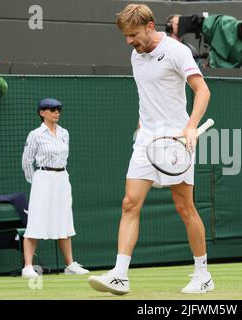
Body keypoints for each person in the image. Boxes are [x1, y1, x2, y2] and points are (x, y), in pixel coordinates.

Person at [88, 3, 213, 294]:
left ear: (150, 25)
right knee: (129, 203)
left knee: (184, 207)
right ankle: (119, 275)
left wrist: (191, 125)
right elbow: (148, 97)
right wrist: (141, 127)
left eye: (133, 34)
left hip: (175, 140)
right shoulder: (136, 56)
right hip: (146, 140)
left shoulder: (176, 52)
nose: (130, 41)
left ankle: (203, 274)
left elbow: (202, 90)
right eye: (126, 36)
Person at [21, 98, 89, 277]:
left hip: (62, 179)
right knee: (36, 220)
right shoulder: (35, 134)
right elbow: (27, 161)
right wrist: (36, 181)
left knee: (64, 219)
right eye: (52, 109)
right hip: (43, 179)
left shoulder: (65, 133)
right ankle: (28, 266)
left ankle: (70, 265)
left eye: (58, 109)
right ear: (42, 113)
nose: (56, 112)